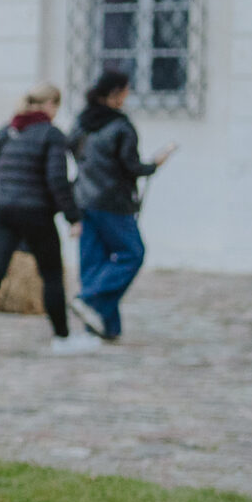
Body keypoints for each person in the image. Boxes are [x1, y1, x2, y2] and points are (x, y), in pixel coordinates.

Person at [0, 85, 97, 356]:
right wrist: (72, 216)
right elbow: (57, 180)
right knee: (51, 274)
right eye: (56, 106)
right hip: (36, 213)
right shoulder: (51, 134)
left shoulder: (5, 132)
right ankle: (62, 339)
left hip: (2, 211)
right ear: (49, 104)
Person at [67, 70, 171, 343]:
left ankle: (104, 326)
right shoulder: (120, 127)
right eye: (125, 90)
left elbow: (74, 153)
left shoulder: (82, 123)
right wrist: (156, 163)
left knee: (94, 261)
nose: (128, 95)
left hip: (83, 198)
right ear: (115, 93)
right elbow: (131, 166)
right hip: (112, 202)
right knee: (132, 253)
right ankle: (88, 299)